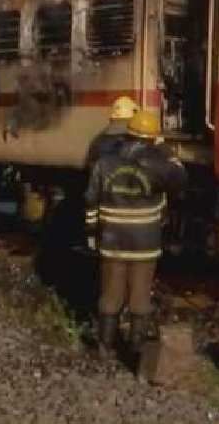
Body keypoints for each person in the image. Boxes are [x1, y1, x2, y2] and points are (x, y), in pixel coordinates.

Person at [84, 110, 186, 358]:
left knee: (111, 294)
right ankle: (135, 350)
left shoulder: (104, 163)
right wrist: (167, 151)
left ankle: (105, 346)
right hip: (145, 241)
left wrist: (91, 233)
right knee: (140, 296)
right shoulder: (160, 166)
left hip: (112, 240)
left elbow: (91, 200)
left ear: (128, 133)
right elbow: (180, 178)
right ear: (153, 138)